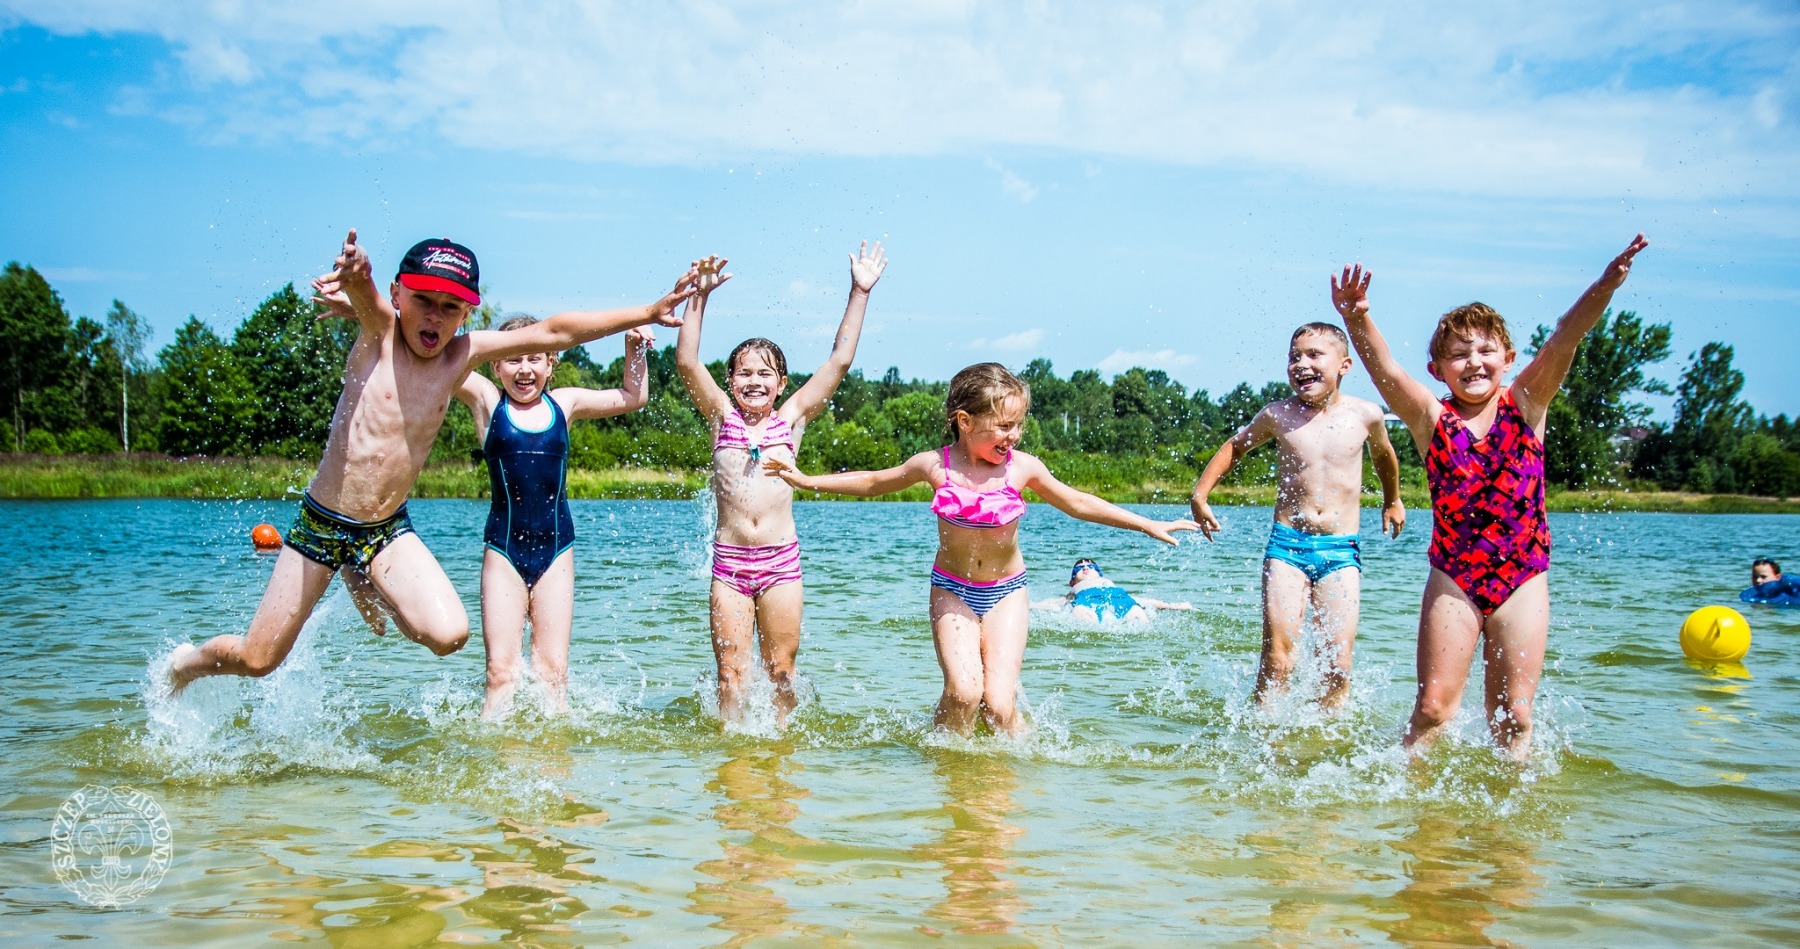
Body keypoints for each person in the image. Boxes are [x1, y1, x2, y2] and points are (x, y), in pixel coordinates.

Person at [165, 230, 697, 692]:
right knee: (259, 661)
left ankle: (361, 568)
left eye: (451, 307)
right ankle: (184, 665)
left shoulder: (462, 357)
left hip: (385, 529)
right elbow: (366, 290)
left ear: (467, 314)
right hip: (323, 522)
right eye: (423, 300)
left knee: (449, 636)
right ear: (399, 295)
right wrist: (357, 272)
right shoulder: (379, 335)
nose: (435, 317)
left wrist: (647, 312)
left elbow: (557, 331)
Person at [1331, 233, 1649, 757]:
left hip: (1524, 575)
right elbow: (1385, 371)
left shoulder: (1527, 402)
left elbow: (1566, 337)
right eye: (1459, 355)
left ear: (1508, 358)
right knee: (1432, 708)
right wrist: (1356, 318)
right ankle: (1413, 801)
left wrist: (1605, 285)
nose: (1474, 362)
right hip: (1454, 575)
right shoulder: (1431, 418)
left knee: (1515, 718)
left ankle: (1509, 809)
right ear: (1438, 370)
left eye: (1485, 351)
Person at [763, 363, 1199, 737]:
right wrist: (807, 480)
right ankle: (949, 769)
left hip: (1006, 592)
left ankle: (1014, 769)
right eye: (1005, 426)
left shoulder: (1022, 468)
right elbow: (875, 481)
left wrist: (1147, 523)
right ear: (965, 421)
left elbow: (1078, 502)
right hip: (952, 588)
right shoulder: (934, 464)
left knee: (999, 706)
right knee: (963, 693)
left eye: (1018, 424)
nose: (1015, 435)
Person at [673, 244, 888, 725]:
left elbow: (838, 362)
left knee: (782, 673)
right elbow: (687, 361)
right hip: (730, 564)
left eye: (764, 373)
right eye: (744, 373)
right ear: (730, 381)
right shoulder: (721, 417)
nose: (754, 381)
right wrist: (699, 296)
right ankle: (733, 750)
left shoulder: (790, 421)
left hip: (781, 565)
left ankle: (781, 745)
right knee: (730, 677)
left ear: (782, 382)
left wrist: (859, 291)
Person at [1189, 322, 1404, 709]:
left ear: (1344, 365)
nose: (1301, 364)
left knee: (1337, 665)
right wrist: (1200, 494)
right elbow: (1236, 447)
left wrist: (1393, 500)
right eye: (1294, 357)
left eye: (1314, 355)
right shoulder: (1278, 414)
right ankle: (1262, 730)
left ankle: (1326, 734)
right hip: (1287, 547)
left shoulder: (1365, 415)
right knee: (1278, 661)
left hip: (1341, 550)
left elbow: (1384, 455)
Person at [453, 318, 656, 718]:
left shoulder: (564, 403)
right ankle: (490, 750)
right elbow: (438, 354)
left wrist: (634, 347)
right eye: (512, 358)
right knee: (500, 673)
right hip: (502, 552)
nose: (524, 369)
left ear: (551, 363)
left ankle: (554, 753)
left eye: (534, 358)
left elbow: (634, 396)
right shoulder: (487, 400)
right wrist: (369, 309)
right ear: (495, 364)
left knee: (553, 673)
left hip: (558, 552)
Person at [1032, 558, 1193, 625]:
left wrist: (1171, 606)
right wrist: (1030, 605)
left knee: (1137, 613)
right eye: (1079, 569)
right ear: (1072, 582)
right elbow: (1056, 603)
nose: (1085, 568)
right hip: (1086, 600)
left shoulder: (1110, 585)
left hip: (1119, 599)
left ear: (1100, 574)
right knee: (1080, 613)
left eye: (1091, 566)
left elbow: (1142, 600)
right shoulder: (1075, 590)